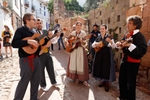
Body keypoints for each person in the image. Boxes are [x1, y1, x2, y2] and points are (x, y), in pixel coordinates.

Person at [116, 15, 147, 100]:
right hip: (125, 61)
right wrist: (120, 44)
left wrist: (130, 45)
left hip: (133, 64)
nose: (127, 25)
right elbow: (122, 44)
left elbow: (142, 51)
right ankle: (123, 97)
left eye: (129, 23)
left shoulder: (140, 37)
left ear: (135, 25)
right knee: (122, 80)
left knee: (131, 83)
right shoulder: (127, 35)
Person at [12, 13, 41, 100]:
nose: (35, 21)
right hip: (26, 60)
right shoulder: (20, 30)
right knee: (24, 81)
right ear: (27, 20)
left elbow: (37, 47)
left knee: (36, 81)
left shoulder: (34, 32)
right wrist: (28, 42)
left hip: (36, 59)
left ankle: (34, 98)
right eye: (33, 19)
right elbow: (14, 44)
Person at [92, 24, 116, 92]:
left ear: (106, 29)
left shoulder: (109, 36)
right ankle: (103, 81)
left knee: (106, 68)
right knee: (101, 68)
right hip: (99, 54)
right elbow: (93, 45)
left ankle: (107, 83)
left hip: (107, 54)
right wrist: (96, 44)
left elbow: (114, 46)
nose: (102, 30)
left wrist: (110, 41)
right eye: (101, 29)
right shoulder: (98, 37)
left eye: (103, 29)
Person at [36, 18, 58, 92]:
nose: (39, 24)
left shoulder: (46, 31)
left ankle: (53, 82)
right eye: (37, 23)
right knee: (41, 70)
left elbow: (52, 41)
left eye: (40, 23)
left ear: (42, 23)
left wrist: (55, 36)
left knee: (51, 68)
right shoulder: (34, 32)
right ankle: (43, 85)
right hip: (40, 54)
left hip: (47, 53)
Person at [66, 21, 90, 87]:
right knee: (75, 64)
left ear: (81, 26)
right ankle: (77, 78)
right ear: (75, 26)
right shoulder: (73, 33)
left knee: (81, 64)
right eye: (77, 25)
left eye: (80, 25)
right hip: (73, 50)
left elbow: (85, 43)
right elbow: (67, 39)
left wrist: (83, 42)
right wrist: (68, 43)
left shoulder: (84, 33)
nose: (78, 26)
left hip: (80, 50)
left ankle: (84, 80)